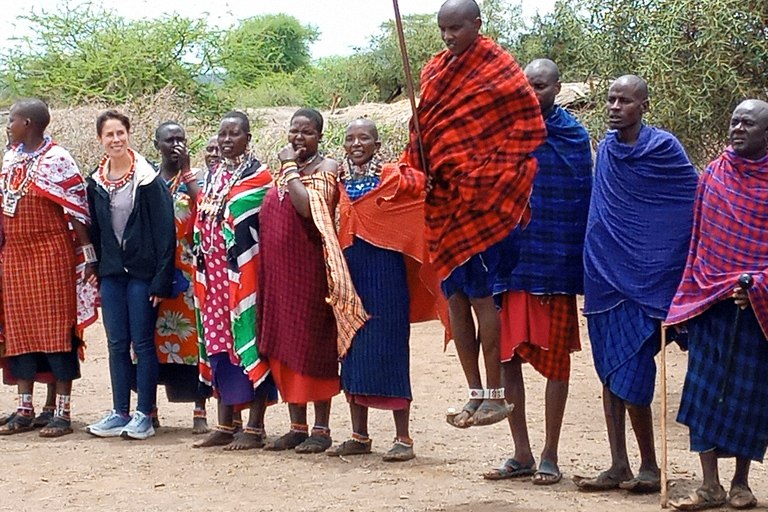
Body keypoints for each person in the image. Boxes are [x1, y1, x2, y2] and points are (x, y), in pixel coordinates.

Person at [396, 0, 546, 428]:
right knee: (455, 297)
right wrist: (418, 165)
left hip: (482, 205)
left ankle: (496, 395)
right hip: (444, 204)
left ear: (477, 24)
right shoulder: (435, 71)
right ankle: (474, 392)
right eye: (443, 29)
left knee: (482, 299)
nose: (448, 37)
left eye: (456, 28)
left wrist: (483, 177)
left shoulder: (498, 68)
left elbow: (528, 128)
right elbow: (426, 129)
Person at [574, 75, 698, 492]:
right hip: (604, 276)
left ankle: (648, 465)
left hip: (648, 281)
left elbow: (690, 201)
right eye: (610, 99)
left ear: (643, 106)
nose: (613, 107)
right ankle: (618, 464)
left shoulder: (663, 149)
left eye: (624, 101)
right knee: (608, 370)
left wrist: (666, 261)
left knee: (634, 369)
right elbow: (603, 209)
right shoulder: (606, 149)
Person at [485, 59, 592, 484]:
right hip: (510, 263)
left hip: (555, 265)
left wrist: (573, 264)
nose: (533, 93)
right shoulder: (505, 134)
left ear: (558, 88)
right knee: (507, 358)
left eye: (541, 85)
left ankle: (550, 453)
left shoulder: (573, 137)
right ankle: (521, 453)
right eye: (527, 85)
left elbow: (579, 203)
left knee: (556, 365)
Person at [665, 99, 768, 511]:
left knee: (749, 396)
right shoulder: (713, 175)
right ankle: (709, 485)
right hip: (710, 298)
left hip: (755, 308)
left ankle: (741, 482)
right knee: (703, 392)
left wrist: (759, 286)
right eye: (734, 121)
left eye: (748, 123)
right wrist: (700, 287)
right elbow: (700, 241)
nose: (738, 129)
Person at [328, 119, 450, 462]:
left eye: (363, 138)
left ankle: (403, 437)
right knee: (351, 347)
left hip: (388, 276)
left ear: (377, 145)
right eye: (350, 138)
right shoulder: (338, 182)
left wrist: (424, 158)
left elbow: (424, 186)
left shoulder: (394, 177)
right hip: (350, 276)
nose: (356, 143)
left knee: (392, 350)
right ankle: (359, 434)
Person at [259, 108, 366, 454]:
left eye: (306, 133)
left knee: (313, 344)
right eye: (294, 132)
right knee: (285, 344)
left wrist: (290, 167)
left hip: (311, 271)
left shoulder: (327, 168)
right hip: (278, 275)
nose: (297, 138)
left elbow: (309, 209)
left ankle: (321, 429)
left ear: (319, 136)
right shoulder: (284, 173)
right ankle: (297, 426)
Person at [0, 98, 97, 438]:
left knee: (57, 331)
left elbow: (76, 210)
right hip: (15, 255)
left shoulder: (58, 159)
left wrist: (88, 255)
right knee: (20, 332)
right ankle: (25, 408)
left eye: (12, 120)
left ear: (27, 123)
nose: (8, 125)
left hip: (51, 253)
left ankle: (62, 413)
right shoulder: (11, 157)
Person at [85, 110, 176, 440]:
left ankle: (144, 415)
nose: (115, 140)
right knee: (116, 343)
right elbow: (95, 230)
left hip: (142, 274)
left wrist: (161, 278)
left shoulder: (147, 178)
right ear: (100, 140)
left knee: (143, 342)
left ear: (129, 134)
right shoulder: (95, 181)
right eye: (109, 135)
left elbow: (165, 231)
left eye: (120, 133)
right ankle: (119, 411)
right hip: (112, 274)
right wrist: (96, 265)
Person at [192, 111, 277, 451]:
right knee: (218, 347)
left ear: (248, 138)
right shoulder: (213, 175)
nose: (227, 140)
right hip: (212, 278)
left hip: (246, 277)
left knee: (249, 342)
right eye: (222, 134)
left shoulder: (260, 177)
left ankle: (255, 426)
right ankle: (227, 423)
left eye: (235, 134)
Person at [152, 121, 211, 434]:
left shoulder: (197, 178)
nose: (175, 145)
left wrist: (187, 171)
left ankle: (199, 411)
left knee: (193, 341)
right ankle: (150, 408)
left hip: (189, 271)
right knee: (151, 343)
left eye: (181, 139)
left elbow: (205, 209)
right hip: (155, 272)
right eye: (169, 139)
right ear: (156, 144)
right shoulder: (146, 178)